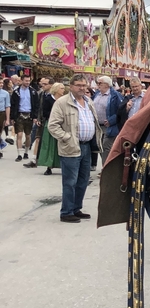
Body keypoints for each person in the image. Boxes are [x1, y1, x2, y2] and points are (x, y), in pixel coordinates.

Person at [48, 74, 101, 224]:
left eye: (84, 85)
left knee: (83, 180)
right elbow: (53, 126)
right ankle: (66, 212)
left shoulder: (88, 101)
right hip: (71, 147)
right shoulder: (62, 103)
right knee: (70, 181)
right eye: (78, 85)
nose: (82, 88)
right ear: (70, 87)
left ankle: (76, 208)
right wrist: (67, 137)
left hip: (86, 146)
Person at [92, 75, 123, 164]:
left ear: (106, 84)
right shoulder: (97, 94)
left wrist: (111, 120)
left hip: (109, 126)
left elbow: (120, 111)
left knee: (106, 146)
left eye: (100, 83)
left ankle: (106, 168)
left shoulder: (115, 95)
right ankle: (105, 165)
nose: (98, 85)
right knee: (100, 146)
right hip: (97, 126)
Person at [36, 82, 65, 175]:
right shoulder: (48, 99)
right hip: (51, 123)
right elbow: (45, 112)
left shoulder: (64, 100)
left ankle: (62, 165)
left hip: (62, 124)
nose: (63, 90)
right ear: (56, 89)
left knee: (61, 145)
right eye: (61, 88)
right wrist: (56, 116)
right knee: (49, 145)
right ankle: (48, 166)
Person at [10, 74, 39, 162]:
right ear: (21, 80)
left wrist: (35, 116)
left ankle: (26, 152)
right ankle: (19, 154)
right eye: (26, 80)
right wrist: (12, 117)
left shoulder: (33, 92)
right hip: (19, 115)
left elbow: (37, 105)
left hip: (29, 115)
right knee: (19, 134)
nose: (27, 82)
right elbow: (13, 104)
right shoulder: (16, 92)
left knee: (28, 135)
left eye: (28, 80)